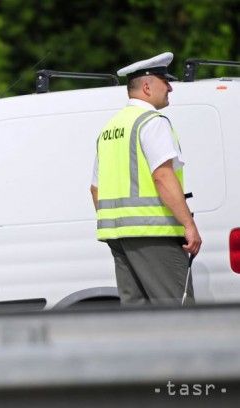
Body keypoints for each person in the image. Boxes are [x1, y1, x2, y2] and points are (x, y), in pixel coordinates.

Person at [90, 52, 202, 306]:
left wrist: (119, 227)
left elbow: (95, 189)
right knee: (178, 313)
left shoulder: (109, 129)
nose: (171, 87)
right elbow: (162, 176)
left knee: (139, 318)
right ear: (148, 86)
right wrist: (188, 225)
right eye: (165, 81)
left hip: (119, 238)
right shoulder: (152, 123)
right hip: (155, 233)